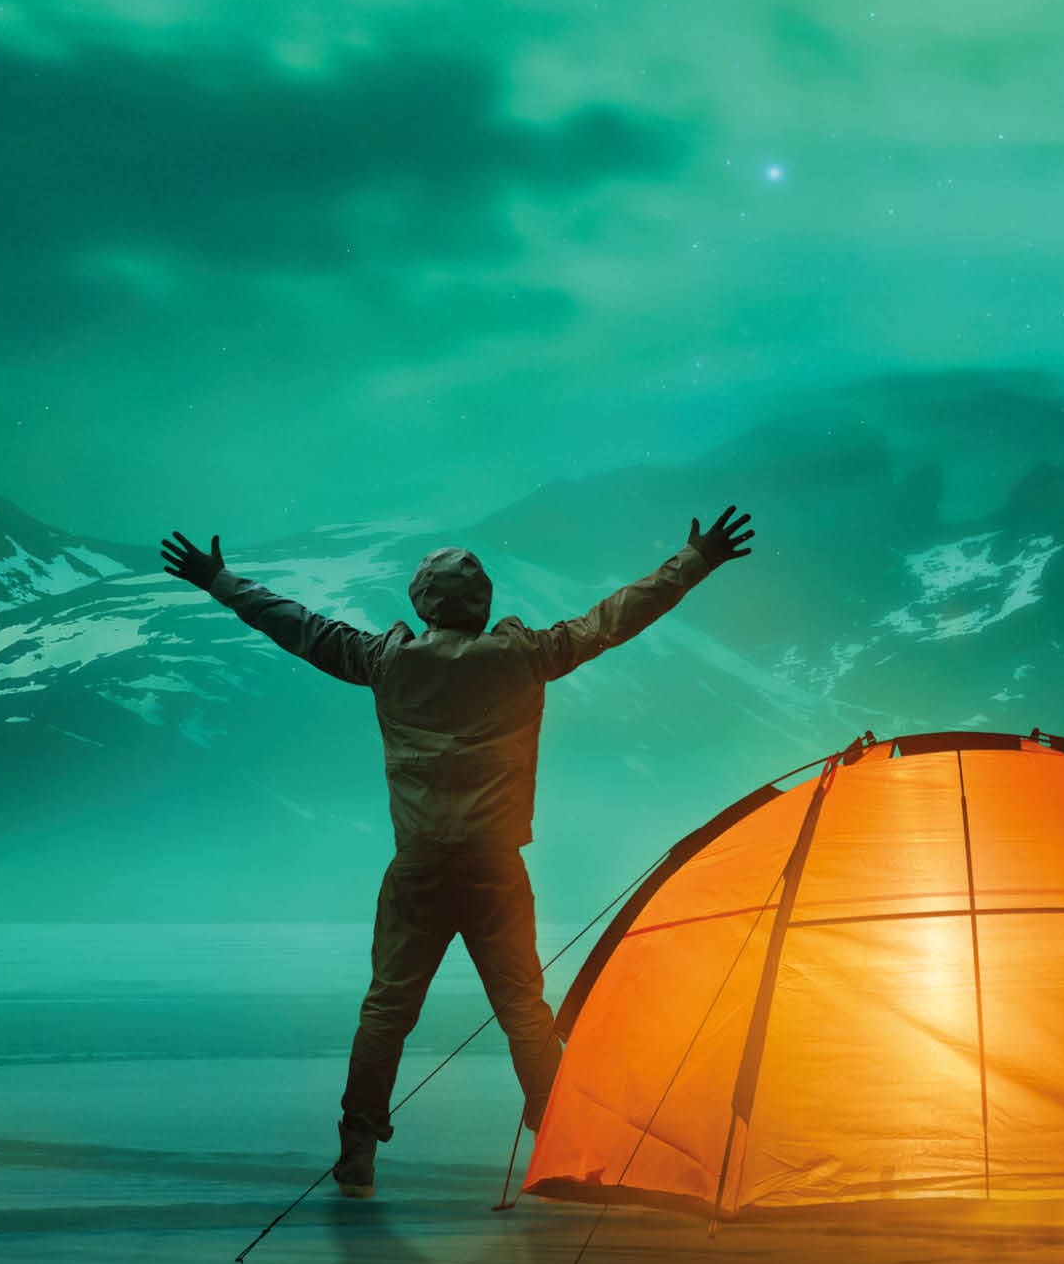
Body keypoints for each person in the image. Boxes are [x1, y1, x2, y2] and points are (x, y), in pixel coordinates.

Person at [158, 504, 758, 1200]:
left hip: (416, 866)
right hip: (494, 866)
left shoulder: (384, 661)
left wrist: (216, 579)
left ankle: (358, 1152)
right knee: (524, 1009)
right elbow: (614, 618)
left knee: (386, 1011)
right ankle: (569, 1146)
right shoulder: (525, 657)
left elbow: (291, 622)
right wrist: (697, 559)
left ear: (420, 603)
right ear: (483, 604)